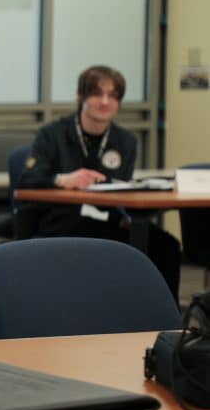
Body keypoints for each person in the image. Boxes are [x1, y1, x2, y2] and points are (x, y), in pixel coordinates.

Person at [17, 65, 181, 300]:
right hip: (62, 218)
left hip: (108, 219)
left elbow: (121, 186)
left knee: (166, 246)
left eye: (113, 96)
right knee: (101, 241)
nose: (105, 102)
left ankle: (167, 325)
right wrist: (63, 179)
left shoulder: (125, 140)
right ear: (80, 96)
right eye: (97, 94)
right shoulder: (52, 134)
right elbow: (27, 180)